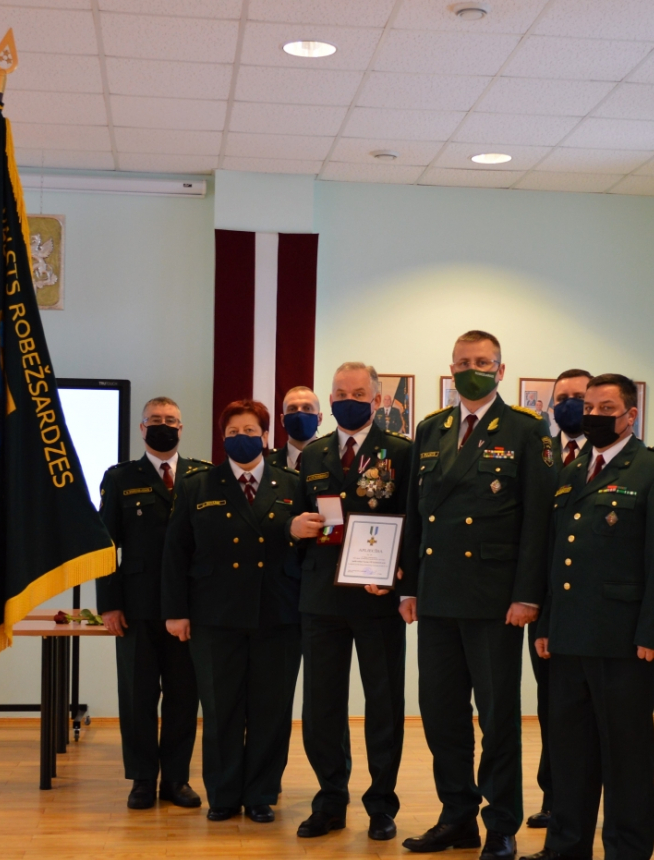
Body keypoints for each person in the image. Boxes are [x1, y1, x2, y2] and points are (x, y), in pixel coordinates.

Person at [399, 330, 554, 860]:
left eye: (482, 362)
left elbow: (537, 521)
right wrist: (408, 587)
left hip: (494, 601)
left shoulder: (527, 430)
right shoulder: (431, 429)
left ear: (501, 371)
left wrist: (527, 595)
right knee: (441, 713)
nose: (473, 369)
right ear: (451, 367)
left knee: (497, 718)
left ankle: (502, 823)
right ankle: (457, 815)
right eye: (464, 361)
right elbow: (415, 516)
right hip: (438, 596)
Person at [524, 374, 654, 860]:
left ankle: (626, 848)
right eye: (587, 405)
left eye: (605, 407)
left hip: (624, 640)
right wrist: (547, 626)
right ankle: (565, 846)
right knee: (571, 754)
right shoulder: (574, 471)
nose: (592, 414)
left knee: (626, 755)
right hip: (570, 637)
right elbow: (557, 558)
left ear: (630, 415)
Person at [287, 362, 414, 841]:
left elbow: (412, 521)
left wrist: (402, 575)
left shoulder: (400, 452)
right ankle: (330, 799)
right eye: (339, 392)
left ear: (377, 399)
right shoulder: (314, 453)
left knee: (383, 703)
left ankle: (381, 804)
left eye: (358, 392)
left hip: (376, 597)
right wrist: (295, 526)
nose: (348, 399)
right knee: (322, 706)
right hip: (321, 597)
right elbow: (300, 519)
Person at [162, 400, 304, 824]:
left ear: (265, 436)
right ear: (222, 437)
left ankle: (261, 794)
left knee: (270, 709)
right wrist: (176, 612)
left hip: (278, 614)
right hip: (214, 616)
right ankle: (223, 795)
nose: (242, 437)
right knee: (220, 708)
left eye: (251, 429)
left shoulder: (292, 485)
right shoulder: (197, 485)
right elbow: (175, 553)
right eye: (233, 430)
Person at [96, 397, 207, 812]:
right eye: (156, 421)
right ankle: (142, 779)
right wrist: (108, 604)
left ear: (182, 427)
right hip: (137, 606)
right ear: (142, 429)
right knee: (138, 696)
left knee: (183, 696)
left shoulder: (202, 475)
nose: (164, 426)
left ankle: (176, 779)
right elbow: (105, 545)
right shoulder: (122, 477)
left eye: (171, 421)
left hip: (189, 608)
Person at [525, 366, 591, 833]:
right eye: (561, 397)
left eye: (578, 397)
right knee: (553, 707)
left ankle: (587, 801)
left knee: (592, 713)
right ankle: (556, 795)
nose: (568, 404)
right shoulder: (540, 452)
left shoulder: (616, 458)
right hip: (546, 605)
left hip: (596, 609)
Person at [275, 385, 323, 470]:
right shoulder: (267, 465)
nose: (299, 414)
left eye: (307, 408)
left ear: (319, 418)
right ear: (283, 420)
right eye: (292, 409)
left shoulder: (336, 462)